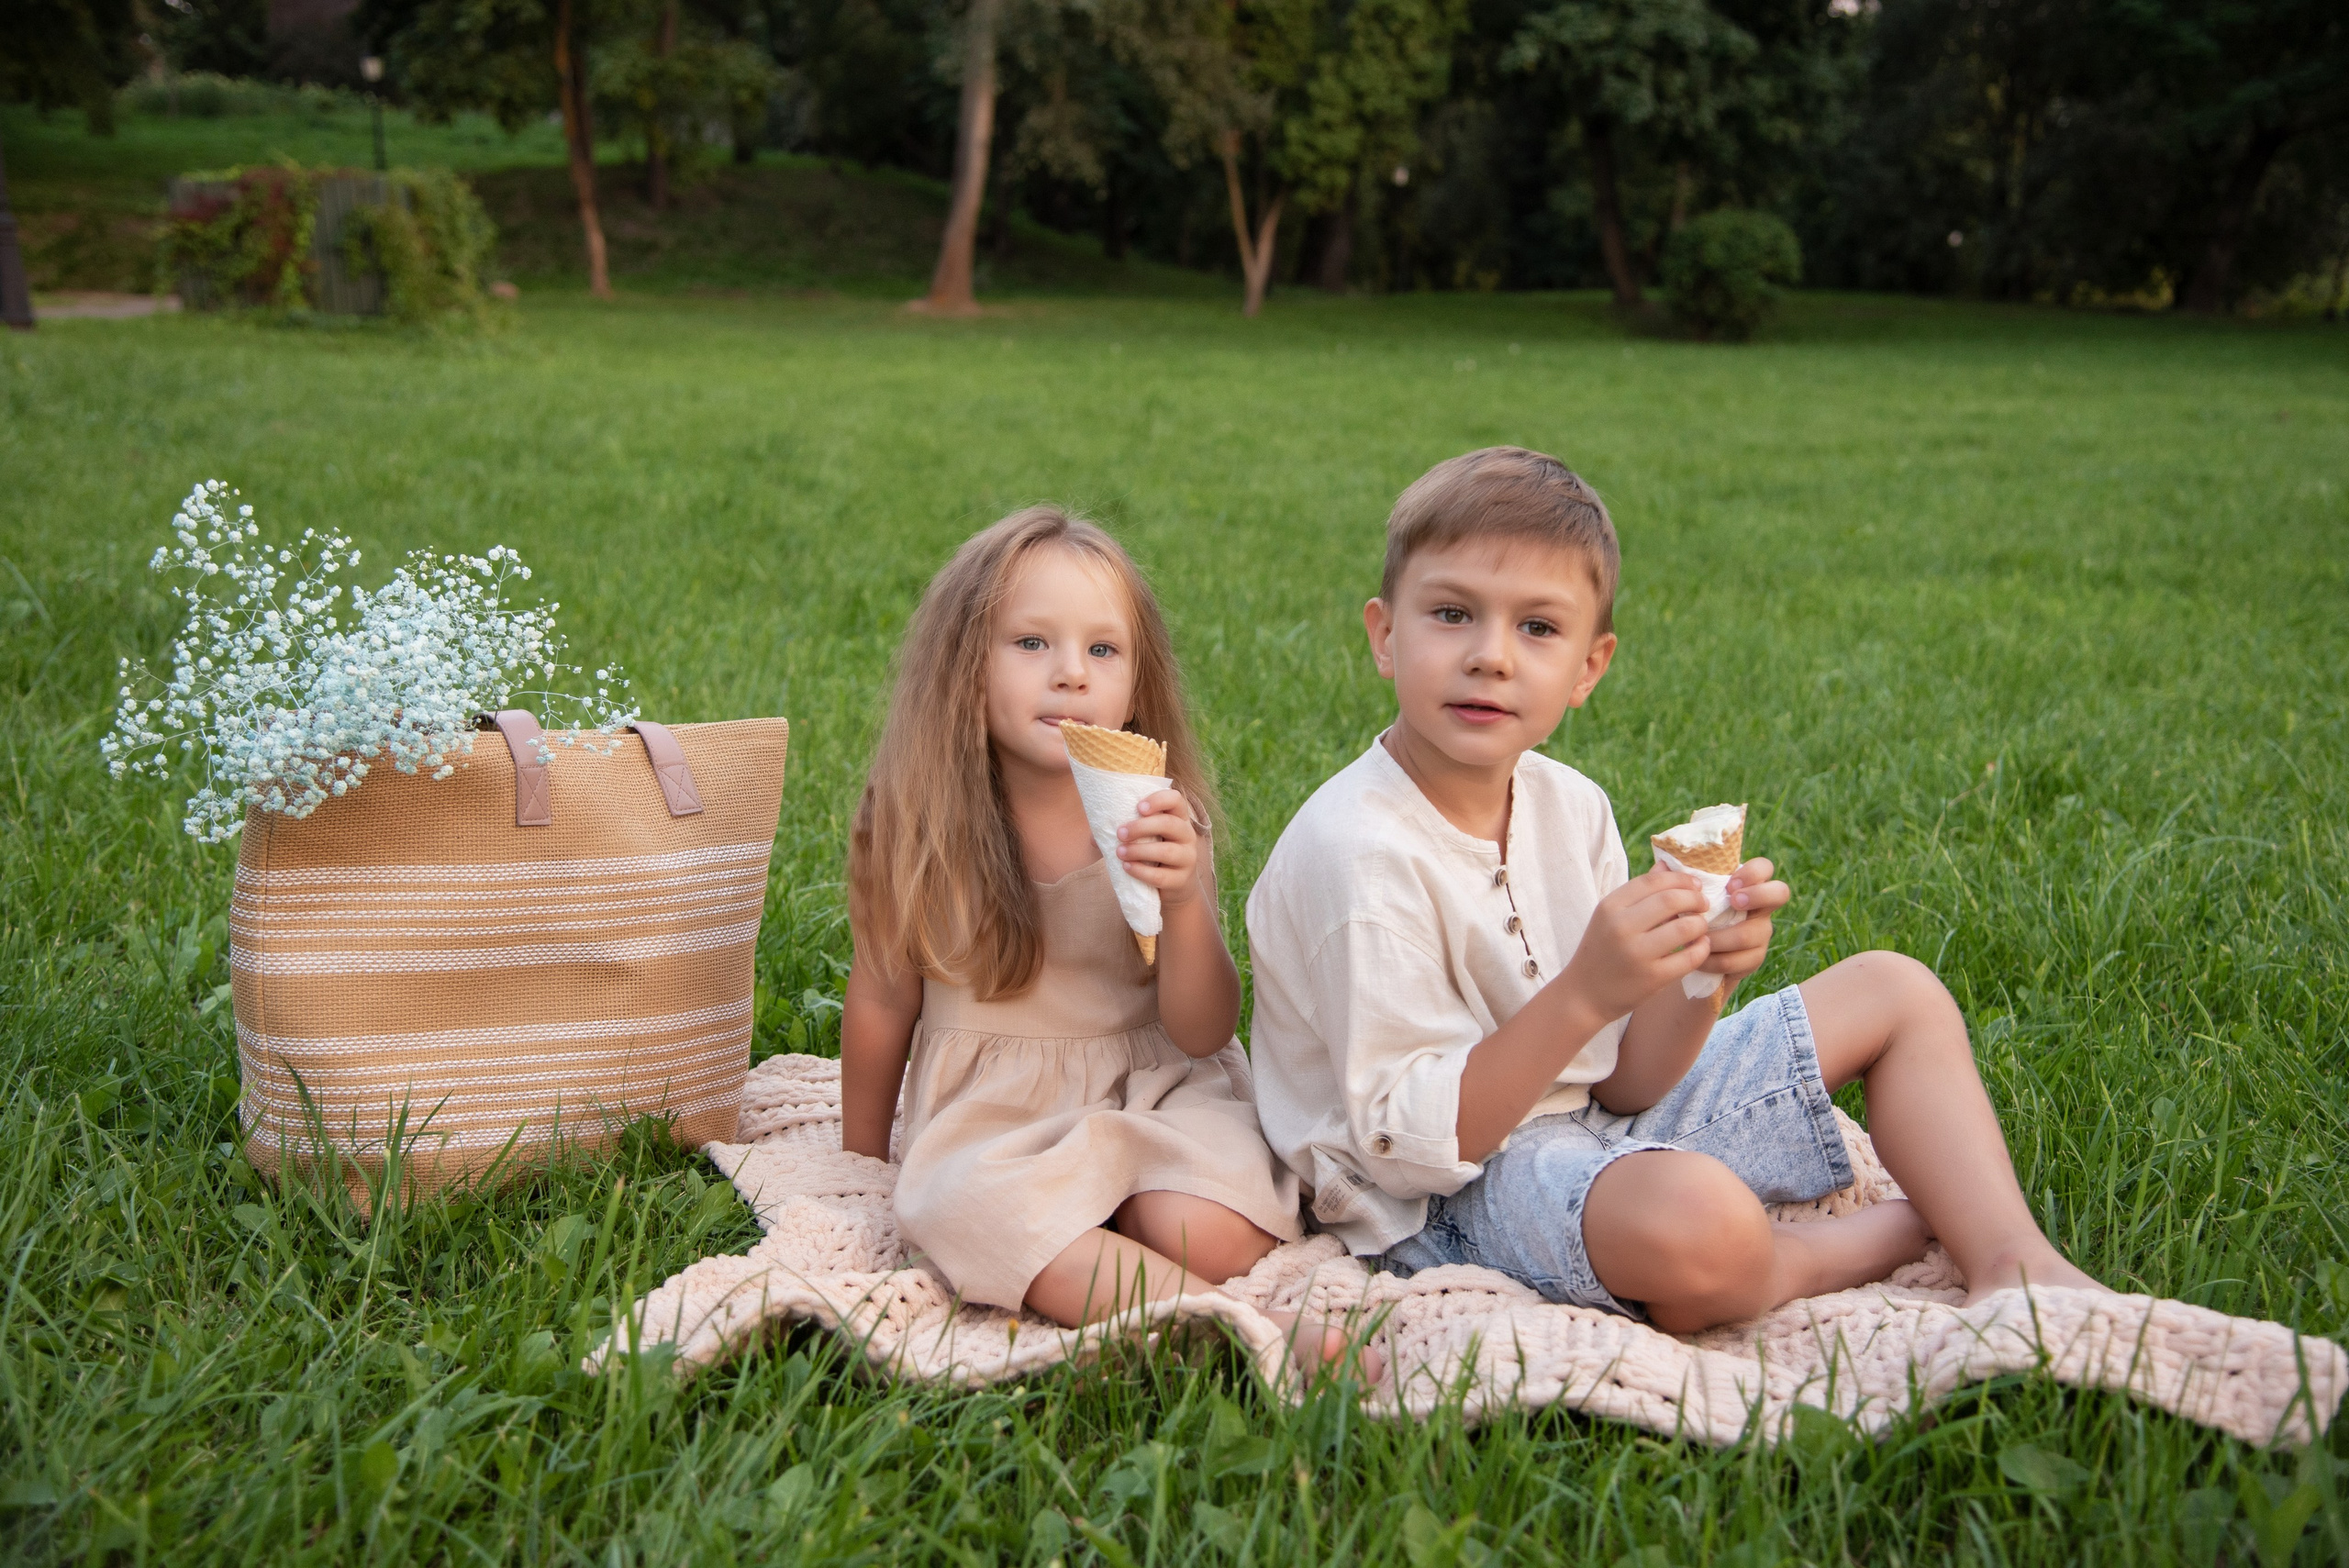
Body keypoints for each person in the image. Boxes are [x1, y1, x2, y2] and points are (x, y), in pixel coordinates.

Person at [1246, 448, 2107, 1333]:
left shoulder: (1569, 804)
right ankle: (1800, 1260)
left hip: (1588, 1132)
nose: (1491, 657)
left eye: (1539, 628)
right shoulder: (1358, 853)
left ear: (1590, 666)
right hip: (1444, 1203)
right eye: (1453, 613)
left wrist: (1700, 977)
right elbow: (1405, 1152)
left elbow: (1625, 1083)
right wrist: (1586, 992)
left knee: (1896, 990)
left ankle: (2013, 1260)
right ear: (1386, 635)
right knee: (1700, 1221)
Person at [840, 506, 1365, 1372]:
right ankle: (1240, 1325)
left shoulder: (1156, 819)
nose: (1071, 676)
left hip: (1153, 1084)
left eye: (1102, 650)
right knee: (972, 1210)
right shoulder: (912, 821)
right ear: (962, 663)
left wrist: (1185, 900)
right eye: (1031, 643)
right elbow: (883, 993)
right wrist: (862, 1162)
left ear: (1137, 680)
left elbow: (1202, 1029)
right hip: (995, 1115)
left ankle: (1115, 1246)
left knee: (1210, 1230)